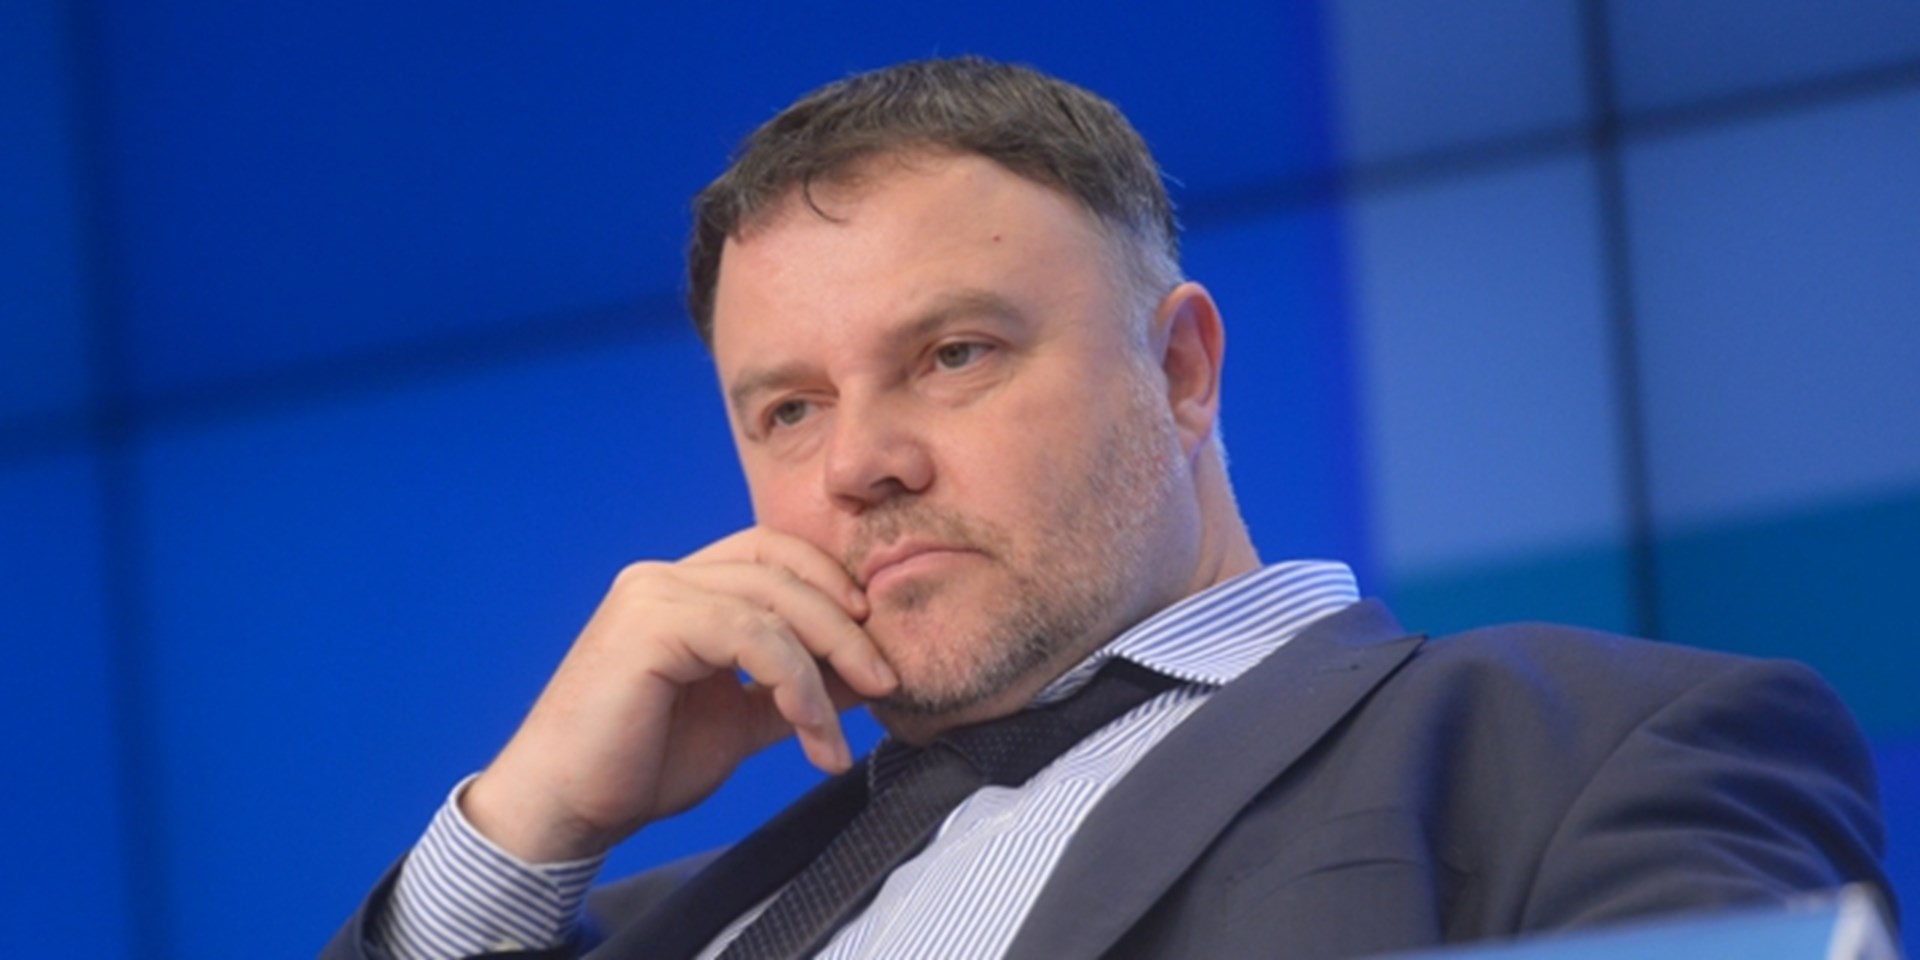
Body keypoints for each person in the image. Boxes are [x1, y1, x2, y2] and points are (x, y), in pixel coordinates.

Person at [323, 56, 1890, 960]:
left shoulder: (1576, 749)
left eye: (952, 355)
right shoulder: (656, 925)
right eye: (788, 408)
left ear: (1182, 369)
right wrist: (522, 835)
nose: (860, 461)